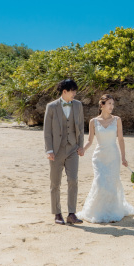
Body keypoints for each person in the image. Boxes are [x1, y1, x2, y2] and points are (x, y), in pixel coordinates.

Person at [76, 94, 134, 223]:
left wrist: (123, 157)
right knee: (100, 182)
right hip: (99, 157)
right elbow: (90, 140)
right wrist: (83, 149)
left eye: (113, 104)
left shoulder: (117, 120)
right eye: (109, 103)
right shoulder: (93, 121)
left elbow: (120, 139)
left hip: (113, 156)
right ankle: (98, 211)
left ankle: (113, 211)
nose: (112, 106)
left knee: (112, 182)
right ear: (102, 105)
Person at [43, 78, 85, 225]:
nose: (74, 93)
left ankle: (72, 214)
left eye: (75, 91)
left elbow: (80, 127)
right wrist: (49, 150)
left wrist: (81, 146)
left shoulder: (78, 105)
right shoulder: (52, 106)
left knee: (73, 180)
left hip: (73, 148)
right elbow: (47, 130)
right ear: (64, 91)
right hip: (56, 149)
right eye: (72, 91)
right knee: (55, 183)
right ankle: (57, 213)